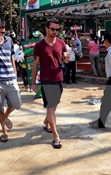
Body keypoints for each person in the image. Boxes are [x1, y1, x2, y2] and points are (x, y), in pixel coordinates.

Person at [32, 18, 70, 149]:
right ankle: (56, 137)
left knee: (55, 105)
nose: (55, 32)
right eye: (52, 29)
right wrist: (33, 82)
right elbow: (35, 64)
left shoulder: (61, 43)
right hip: (46, 79)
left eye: (57, 29)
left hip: (58, 78)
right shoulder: (39, 45)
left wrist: (67, 59)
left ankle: (47, 120)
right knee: (50, 106)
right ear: (46, 29)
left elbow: (65, 59)